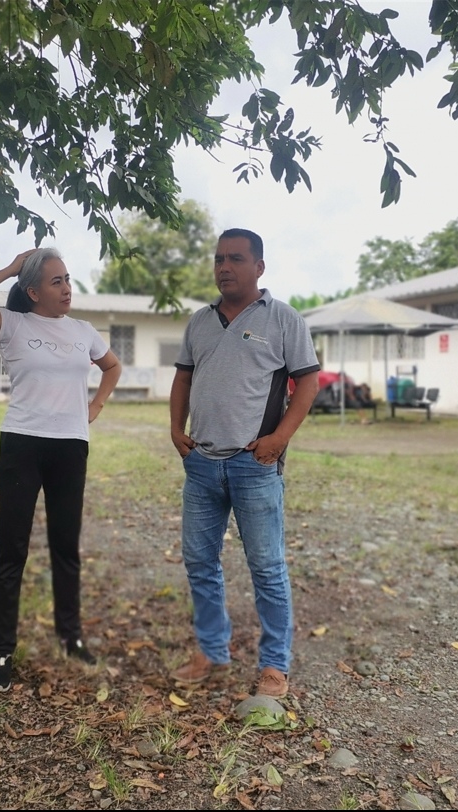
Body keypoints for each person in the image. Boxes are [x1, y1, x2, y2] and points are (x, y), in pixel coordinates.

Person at [0, 247, 122, 693]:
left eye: (67, 279)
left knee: (66, 547)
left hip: (71, 446)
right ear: (33, 291)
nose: (67, 288)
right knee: (11, 550)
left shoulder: (83, 331)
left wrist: (96, 405)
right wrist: (12, 267)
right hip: (22, 445)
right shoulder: (12, 325)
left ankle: (71, 637)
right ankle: (1, 652)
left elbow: (112, 366)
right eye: (56, 281)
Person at [169, 228, 320, 699]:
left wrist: (279, 438)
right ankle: (212, 651)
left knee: (267, 567)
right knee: (199, 561)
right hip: (201, 464)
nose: (224, 267)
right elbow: (183, 378)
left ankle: (275, 665)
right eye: (219, 259)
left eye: (235, 258)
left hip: (254, 466)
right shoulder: (199, 322)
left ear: (259, 267)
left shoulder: (283, 319)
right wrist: (175, 429)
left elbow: (308, 383)